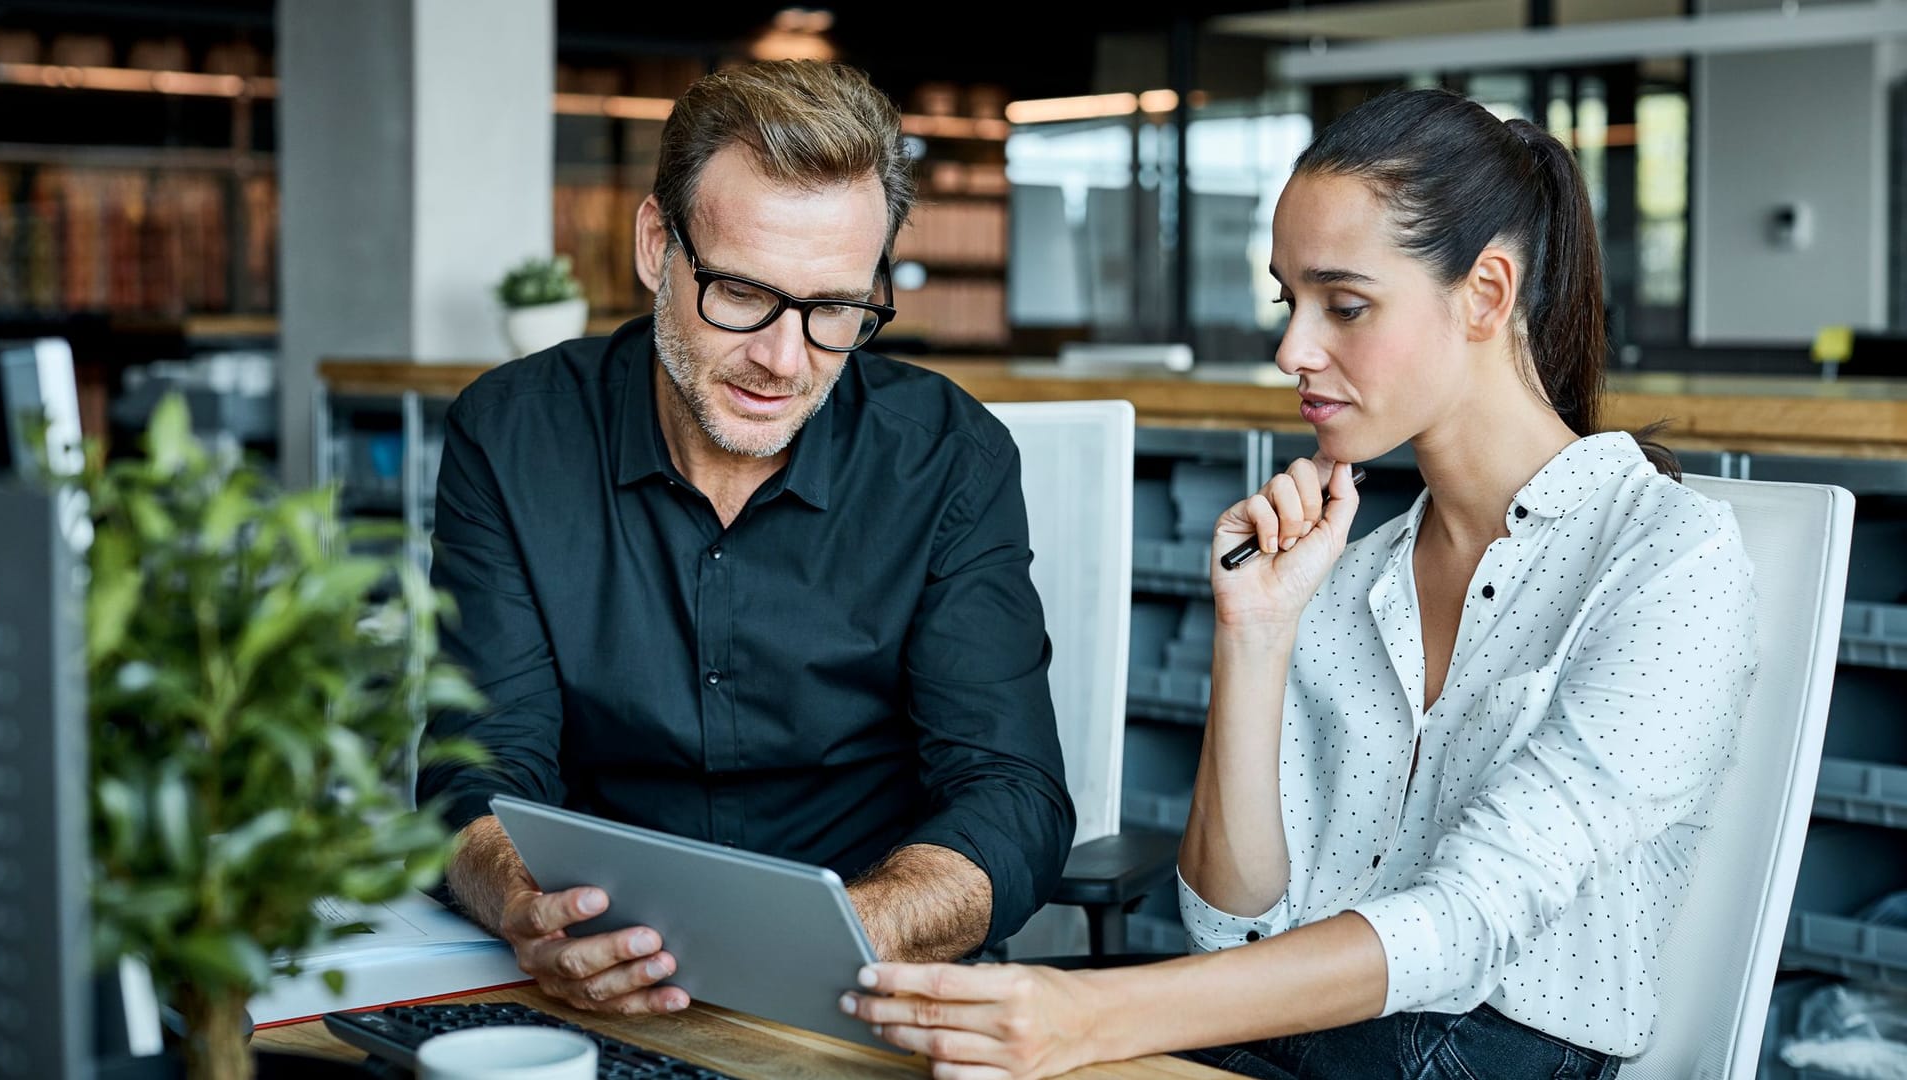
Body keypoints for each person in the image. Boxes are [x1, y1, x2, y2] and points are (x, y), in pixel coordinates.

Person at [839, 88, 1756, 1080]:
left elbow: (1468, 921)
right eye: (1290, 301)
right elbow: (1228, 924)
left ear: (1487, 295)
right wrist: (1256, 635)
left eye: (1344, 305)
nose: (1291, 351)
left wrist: (1096, 1012)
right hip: (1287, 1039)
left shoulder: (1669, 561)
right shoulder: (1347, 571)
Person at [416, 59, 1075, 1018]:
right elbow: (477, 765)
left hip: (865, 981)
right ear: (656, 245)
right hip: (591, 971)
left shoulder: (949, 460)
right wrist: (527, 906)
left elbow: (1009, 795)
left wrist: (848, 932)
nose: (782, 359)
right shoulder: (512, 436)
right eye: (739, 293)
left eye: (834, 311)